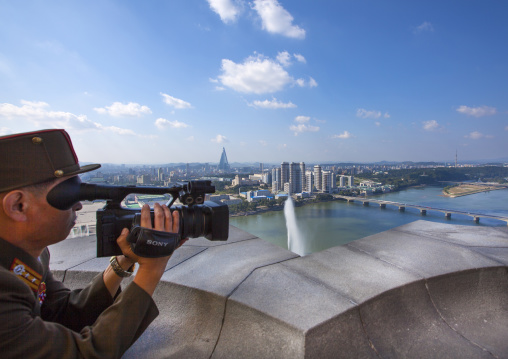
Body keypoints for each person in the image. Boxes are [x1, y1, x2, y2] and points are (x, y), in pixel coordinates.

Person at [0, 129, 182, 358]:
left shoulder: (31, 254)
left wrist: (125, 260)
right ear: (18, 205)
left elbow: (65, 313)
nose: (78, 205)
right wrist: (152, 268)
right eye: (68, 195)